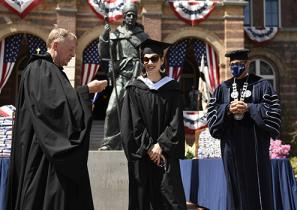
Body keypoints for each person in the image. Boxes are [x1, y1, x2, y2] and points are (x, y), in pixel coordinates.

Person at [5, 28, 107, 210]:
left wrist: (81, 99)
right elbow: (53, 109)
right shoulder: (40, 69)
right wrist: (86, 91)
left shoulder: (53, 71)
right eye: (70, 50)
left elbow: (61, 103)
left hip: (48, 152)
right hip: (43, 154)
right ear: (56, 45)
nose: (72, 55)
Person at [207, 49, 281, 210]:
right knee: (234, 186)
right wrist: (227, 109)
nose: (236, 67)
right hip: (231, 147)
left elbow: (274, 111)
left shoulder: (262, 85)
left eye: (239, 64)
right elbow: (212, 115)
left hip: (255, 147)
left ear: (247, 64)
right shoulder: (223, 88)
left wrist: (249, 107)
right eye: (233, 65)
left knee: (259, 187)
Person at [120, 39, 187, 210]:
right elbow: (132, 123)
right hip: (142, 157)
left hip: (165, 155)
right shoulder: (134, 89)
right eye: (146, 59)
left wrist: (161, 145)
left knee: (170, 199)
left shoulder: (173, 89)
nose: (149, 62)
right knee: (143, 200)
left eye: (154, 58)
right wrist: (149, 147)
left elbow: (175, 122)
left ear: (162, 61)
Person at [98, 2, 149, 150]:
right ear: (124, 17)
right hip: (121, 78)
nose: (131, 17)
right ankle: (109, 142)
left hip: (137, 79)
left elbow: (148, 56)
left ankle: (135, 142)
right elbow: (104, 54)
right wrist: (104, 35)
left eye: (134, 15)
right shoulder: (116, 34)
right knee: (111, 110)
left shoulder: (143, 36)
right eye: (128, 15)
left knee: (136, 114)